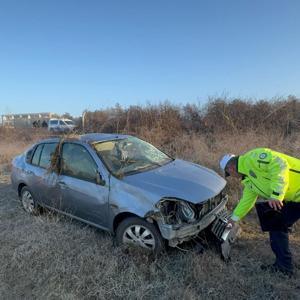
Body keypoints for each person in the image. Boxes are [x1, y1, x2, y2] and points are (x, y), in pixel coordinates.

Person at [220, 148, 300, 276]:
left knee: (276, 224)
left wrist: (276, 194)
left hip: (296, 193)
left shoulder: (254, 157)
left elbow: (280, 164)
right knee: (276, 224)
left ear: (231, 168)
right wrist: (233, 218)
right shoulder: (249, 180)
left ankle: (284, 266)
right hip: (295, 198)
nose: (232, 177)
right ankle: (284, 266)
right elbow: (247, 200)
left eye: (229, 174)